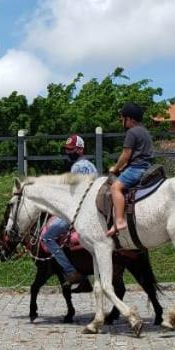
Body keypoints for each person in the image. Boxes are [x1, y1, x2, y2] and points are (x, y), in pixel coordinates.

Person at [42, 135, 98, 286]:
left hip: (76, 212)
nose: (68, 152)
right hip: (92, 208)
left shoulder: (76, 167)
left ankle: (71, 271)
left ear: (80, 149)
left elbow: (71, 195)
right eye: (67, 149)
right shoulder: (91, 166)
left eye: (71, 149)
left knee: (47, 238)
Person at [106, 103, 155, 236]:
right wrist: (123, 167)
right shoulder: (145, 131)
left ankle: (120, 220)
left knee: (115, 187)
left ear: (130, 119)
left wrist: (116, 168)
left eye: (123, 119)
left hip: (136, 169)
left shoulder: (131, 132)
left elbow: (126, 155)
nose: (122, 121)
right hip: (146, 166)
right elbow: (138, 155)